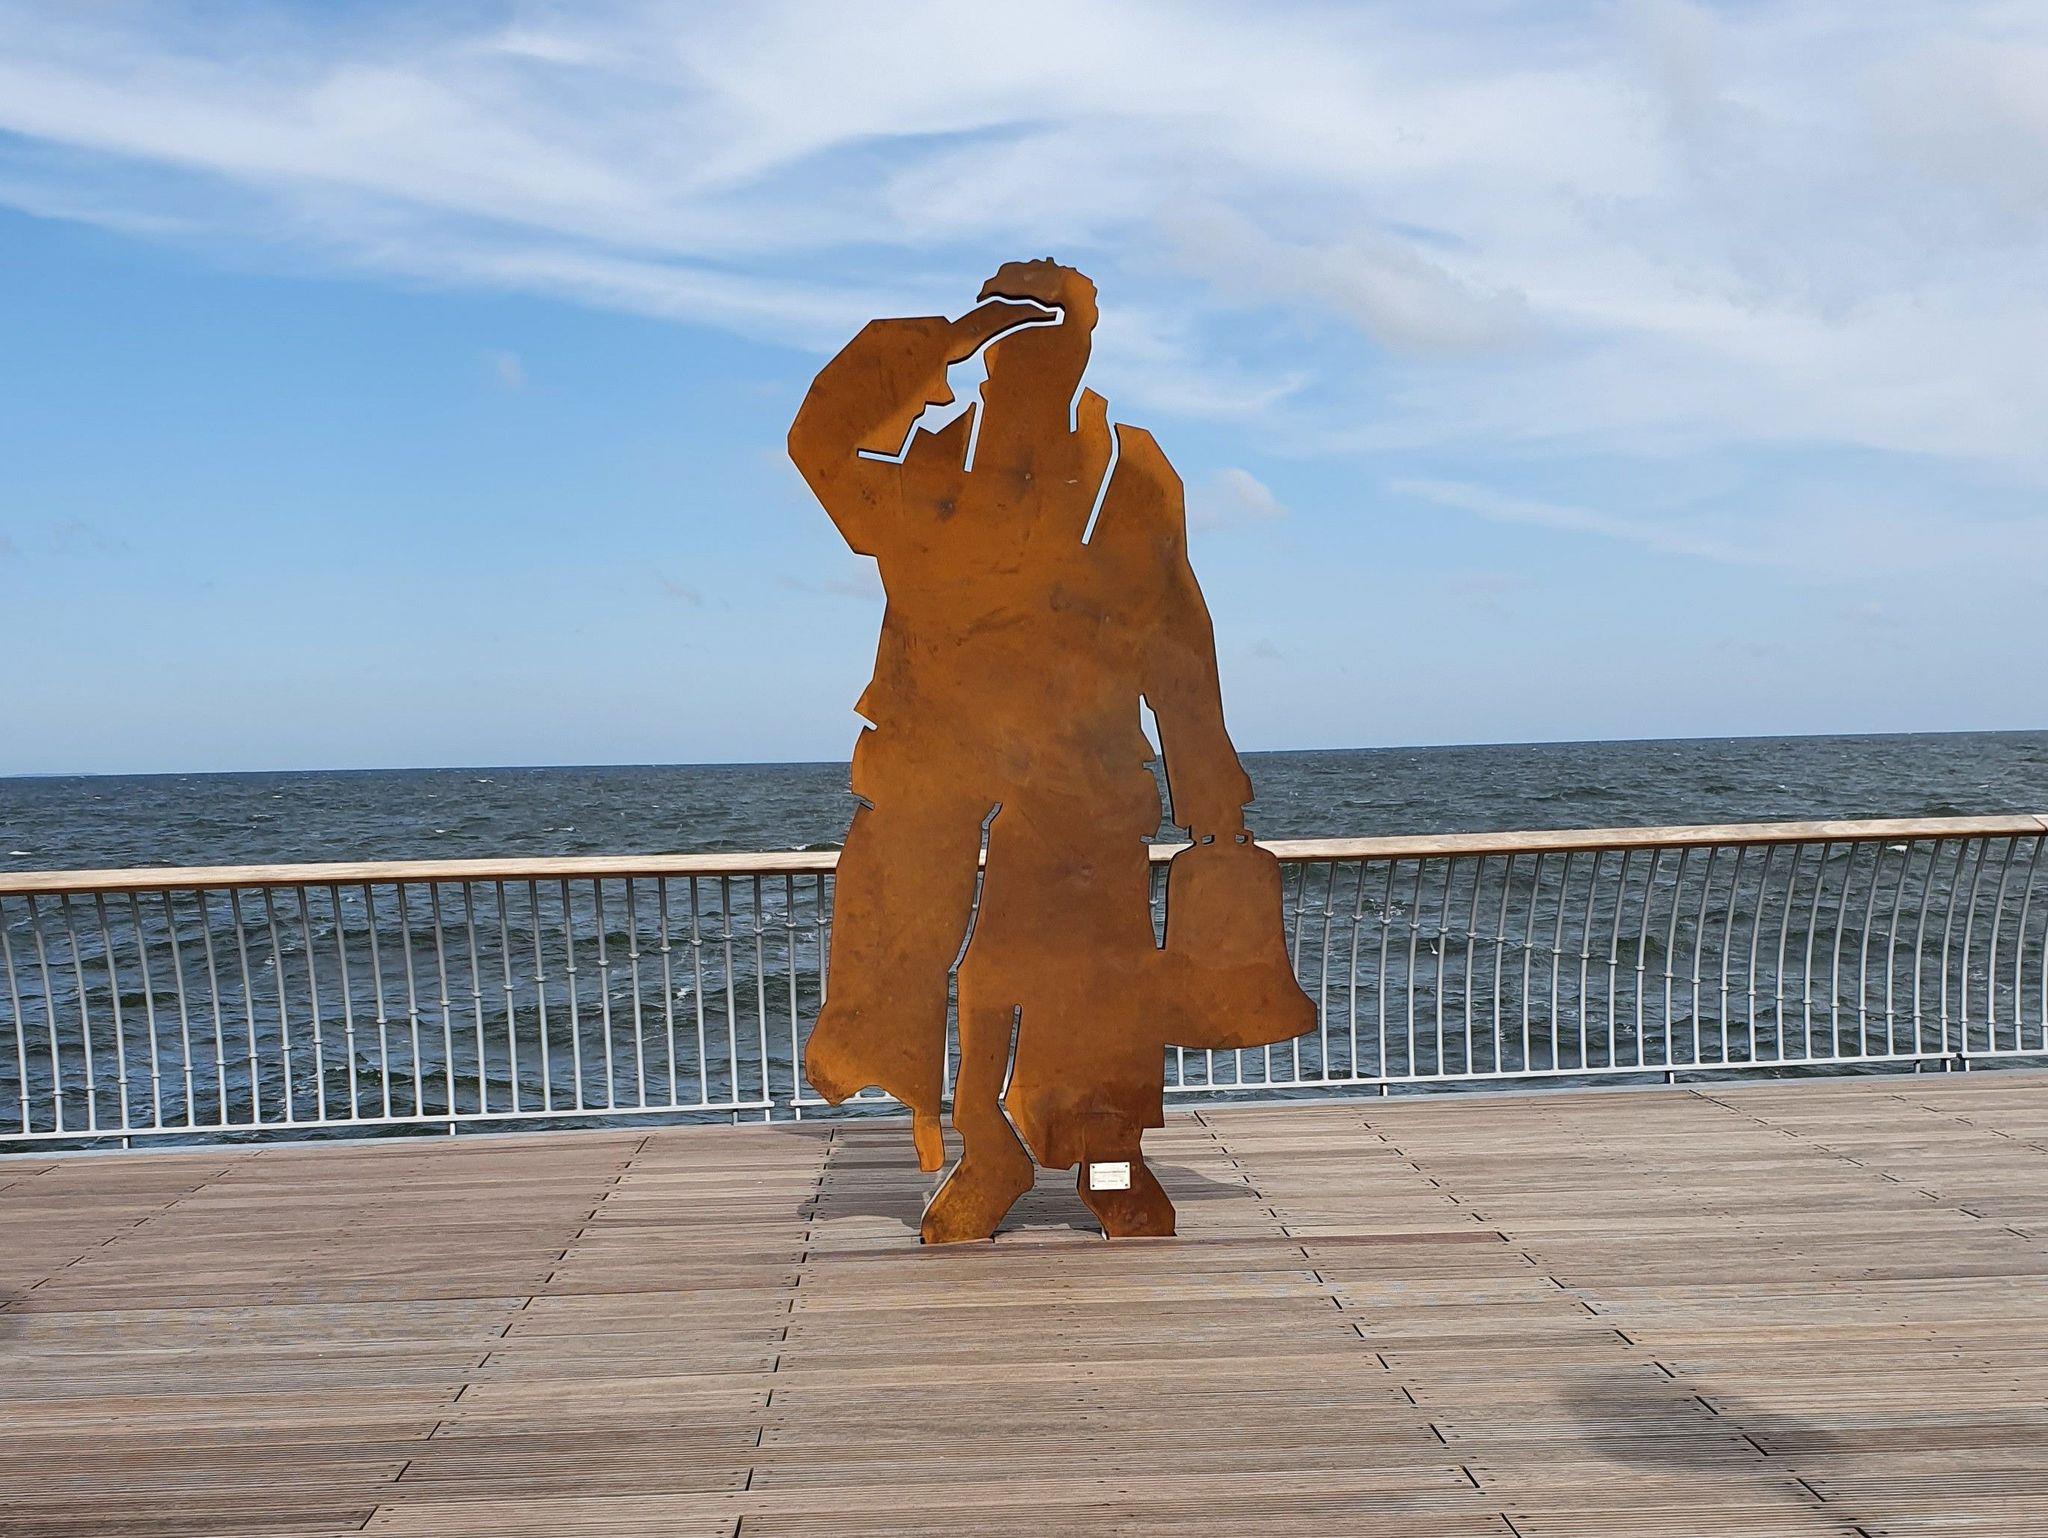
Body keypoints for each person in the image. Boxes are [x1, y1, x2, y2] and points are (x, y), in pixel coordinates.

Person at [791, 259, 1309, 1241]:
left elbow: (1177, 629)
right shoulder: (931, 475)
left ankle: (1109, 1160)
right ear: (989, 361)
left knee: (1103, 978)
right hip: (944, 769)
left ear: (1079, 360)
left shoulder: (1131, 473)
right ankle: (986, 1147)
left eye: (1054, 347)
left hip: (1088, 770)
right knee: (966, 972)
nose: (1031, 371)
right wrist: (943, 340)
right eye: (1011, 349)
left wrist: (1209, 785)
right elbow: (819, 445)